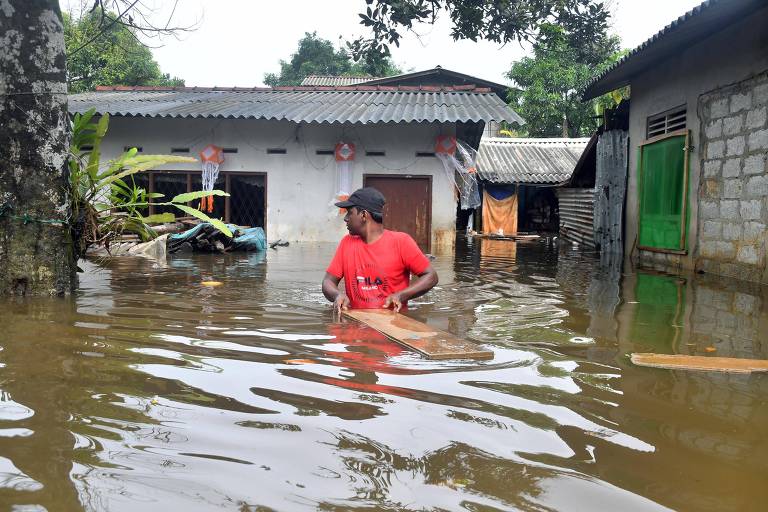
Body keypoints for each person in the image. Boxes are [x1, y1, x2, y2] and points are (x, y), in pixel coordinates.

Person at [322, 187, 438, 314]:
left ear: (364, 215)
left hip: (392, 326)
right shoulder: (346, 243)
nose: (346, 218)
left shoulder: (401, 242)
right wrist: (337, 295)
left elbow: (431, 276)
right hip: (355, 323)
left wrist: (401, 295)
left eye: (350, 212)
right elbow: (328, 281)